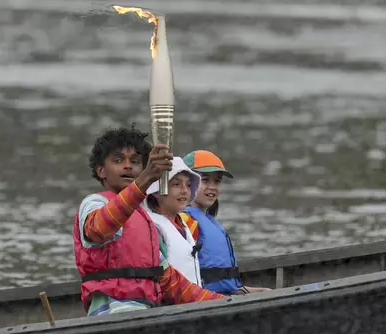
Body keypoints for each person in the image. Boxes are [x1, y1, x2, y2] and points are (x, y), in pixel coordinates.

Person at [74, 128, 225, 316]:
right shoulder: (94, 203)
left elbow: (170, 281)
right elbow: (98, 229)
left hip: (146, 312)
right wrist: (145, 179)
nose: (128, 166)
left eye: (135, 162)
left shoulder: (145, 220)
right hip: (111, 315)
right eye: (118, 160)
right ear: (101, 170)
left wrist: (223, 302)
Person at [180, 150, 271, 295]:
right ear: (185, 183)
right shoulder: (186, 221)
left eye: (217, 181)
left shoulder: (209, 220)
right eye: (205, 180)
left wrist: (256, 291)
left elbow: (226, 286)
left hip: (224, 294)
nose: (212, 186)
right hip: (203, 300)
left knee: (267, 292)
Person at [144, 157, 202, 286]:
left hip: (194, 301)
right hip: (174, 304)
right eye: (176, 184)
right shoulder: (153, 228)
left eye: (188, 185)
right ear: (156, 192)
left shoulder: (184, 224)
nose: (184, 190)